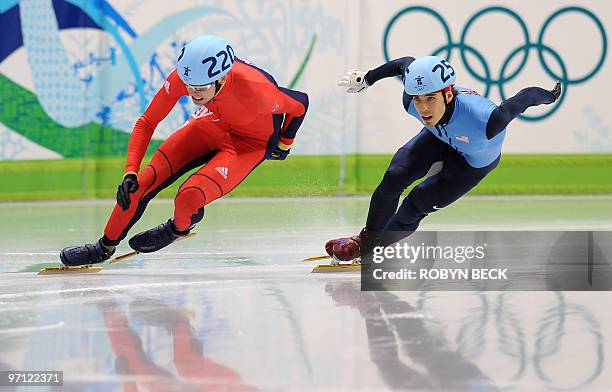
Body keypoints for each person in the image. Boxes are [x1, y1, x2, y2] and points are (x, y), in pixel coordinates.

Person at [60, 35, 308, 266]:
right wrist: (130, 172)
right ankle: (104, 247)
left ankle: (178, 228)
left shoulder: (258, 92)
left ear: (221, 79)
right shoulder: (187, 76)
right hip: (213, 123)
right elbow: (147, 122)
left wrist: (284, 142)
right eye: (189, 86)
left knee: (189, 196)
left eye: (200, 88)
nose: (192, 93)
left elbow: (300, 104)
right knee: (141, 183)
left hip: (249, 144)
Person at [326, 55, 561, 261]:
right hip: (439, 138)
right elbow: (404, 64)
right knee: (394, 177)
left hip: (472, 164)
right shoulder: (412, 100)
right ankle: (366, 241)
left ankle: (376, 251)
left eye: (430, 99)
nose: (423, 109)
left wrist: (550, 96)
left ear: (448, 94)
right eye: (418, 99)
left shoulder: (487, 120)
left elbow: (526, 97)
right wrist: (368, 78)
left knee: (415, 204)